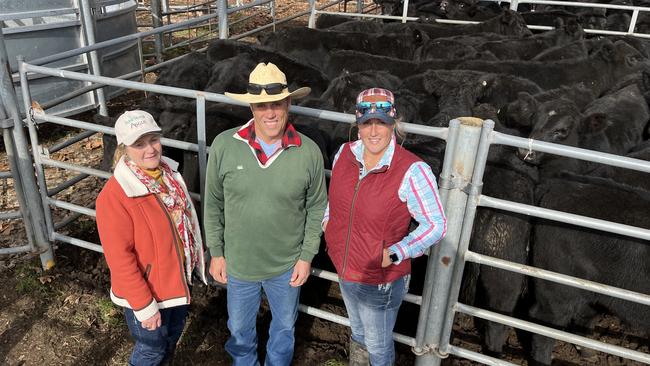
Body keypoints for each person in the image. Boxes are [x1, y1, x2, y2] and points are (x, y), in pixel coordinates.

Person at [203, 62, 328, 366]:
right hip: (239, 262)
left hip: (287, 264)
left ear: (288, 104)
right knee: (240, 330)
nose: (270, 113)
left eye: (276, 104)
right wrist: (217, 253)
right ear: (251, 108)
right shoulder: (224, 146)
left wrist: (306, 256)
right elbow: (213, 203)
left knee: (284, 329)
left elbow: (316, 208)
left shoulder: (308, 151)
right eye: (261, 106)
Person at [323, 88, 447, 366]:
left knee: (378, 346)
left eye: (382, 122)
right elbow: (335, 199)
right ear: (358, 124)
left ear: (394, 123)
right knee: (357, 333)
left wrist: (396, 252)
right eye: (367, 123)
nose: (374, 131)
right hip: (345, 265)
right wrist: (328, 225)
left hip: (381, 279)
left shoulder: (413, 170)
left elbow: (436, 224)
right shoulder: (344, 153)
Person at [96, 110, 207, 366]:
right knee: (152, 348)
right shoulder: (115, 195)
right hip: (149, 291)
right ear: (124, 148)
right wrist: (144, 305)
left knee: (169, 340)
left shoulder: (169, 174)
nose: (150, 149)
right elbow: (120, 259)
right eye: (139, 144)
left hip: (176, 280)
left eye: (153, 139)